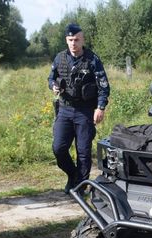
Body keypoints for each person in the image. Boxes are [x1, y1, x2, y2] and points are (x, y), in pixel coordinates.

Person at [47, 23, 110, 194]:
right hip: (64, 109)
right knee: (58, 148)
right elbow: (51, 78)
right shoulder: (59, 58)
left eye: (76, 40)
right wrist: (53, 86)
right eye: (70, 40)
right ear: (66, 40)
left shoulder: (92, 60)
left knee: (83, 151)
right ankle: (73, 174)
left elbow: (103, 87)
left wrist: (100, 107)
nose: (73, 43)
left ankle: (80, 186)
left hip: (85, 111)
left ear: (82, 40)